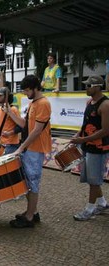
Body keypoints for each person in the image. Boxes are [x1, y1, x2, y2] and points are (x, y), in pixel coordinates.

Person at [5, 75, 52, 228]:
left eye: (26, 90)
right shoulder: (34, 103)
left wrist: (20, 147)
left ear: (34, 88)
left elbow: (37, 131)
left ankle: (30, 217)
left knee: (32, 183)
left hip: (35, 149)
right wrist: (11, 114)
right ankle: (32, 212)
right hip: (29, 148)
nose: (25, 93)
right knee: (27, 182)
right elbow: (26, 125)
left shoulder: (43, 103)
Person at [70, 75, 109, 221]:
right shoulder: (89, 102)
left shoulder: (105, 105)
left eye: (88, 86)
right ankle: (102, 203)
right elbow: (86, 125)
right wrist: (78, 136)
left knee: (94, 181)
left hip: (99, 149)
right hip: (87, 146)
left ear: (97, 87)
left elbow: (105, 130)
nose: (86, 88)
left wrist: (83, 139)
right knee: (90, 178)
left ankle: (90, 209)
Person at [0, 87, 21, 155]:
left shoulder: (13, 110)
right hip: (1, 143)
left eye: (0, 95)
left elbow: (20, 126)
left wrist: (10, 133)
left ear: (6, 97)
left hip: (12, 144)